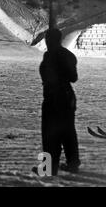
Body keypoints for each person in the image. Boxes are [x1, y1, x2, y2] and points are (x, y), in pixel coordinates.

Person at [39, 28, 80, 175]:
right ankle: (73, 163)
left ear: (50, 40)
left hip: (53, 97)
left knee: (49, 134)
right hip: (67, 97)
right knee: (68, 132)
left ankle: (49, 168)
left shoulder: (50, 55)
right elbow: (73, 77)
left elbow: (49, 76)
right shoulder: (68, 55)